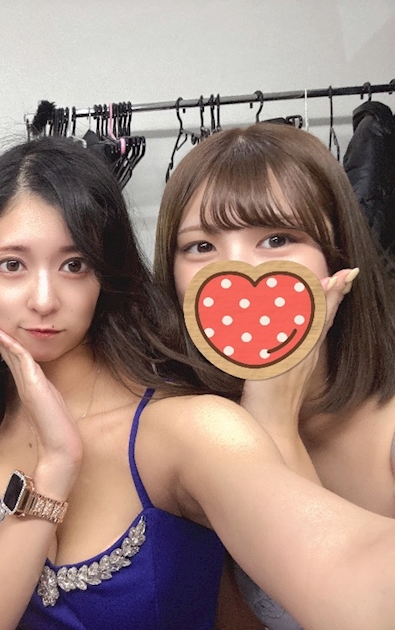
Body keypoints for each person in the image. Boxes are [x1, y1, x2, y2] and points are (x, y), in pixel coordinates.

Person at [0, 135, 395, 630]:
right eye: (12, 265)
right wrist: (55, 468)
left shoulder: (191, 427)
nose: (44, 300)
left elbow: (343, 560)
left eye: (74, 265)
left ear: (106, 274)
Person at [154, 122, 395, 629]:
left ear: (338, 254)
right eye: (200, 247)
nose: (237, 270)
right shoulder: (188, 429)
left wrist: (274, 420)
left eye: (277, 238)